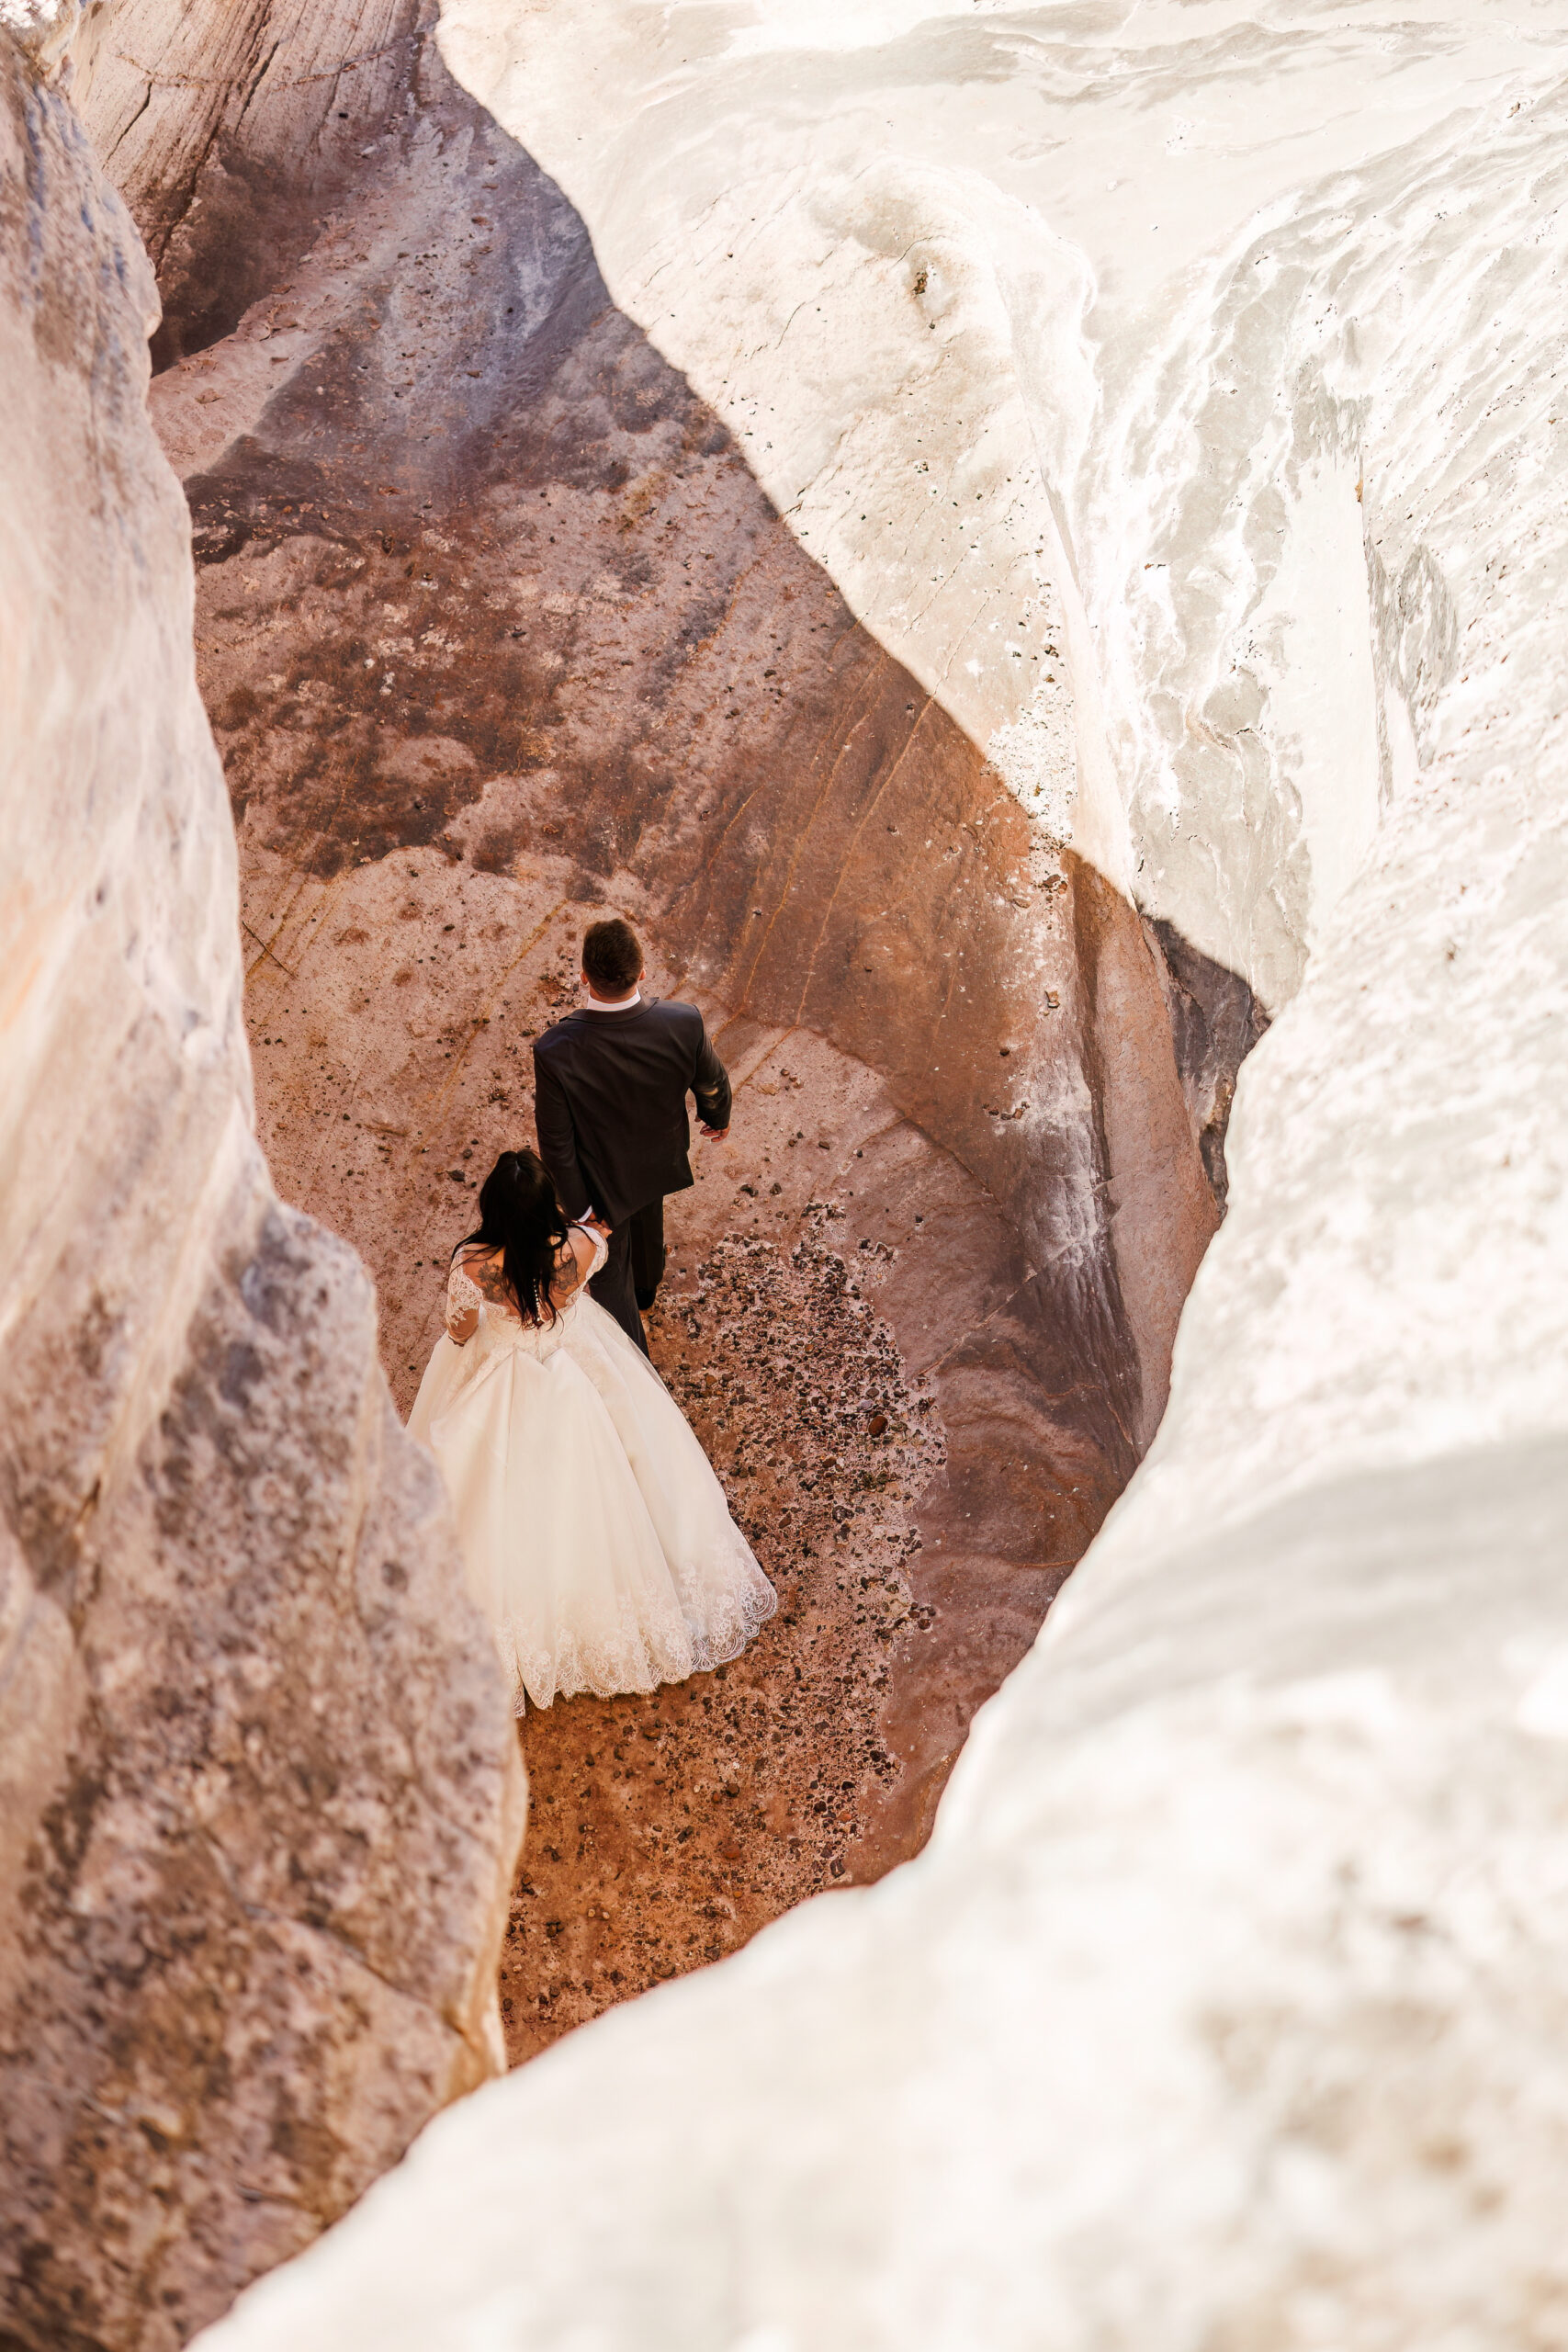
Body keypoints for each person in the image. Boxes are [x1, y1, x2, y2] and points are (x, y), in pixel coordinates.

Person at [408, 1148, 775, 1710]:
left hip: (503, 1372)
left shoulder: (475, 1265)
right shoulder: (580, 1247)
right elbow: (587, 1265)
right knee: (619, 1478)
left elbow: (459, 1329)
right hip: (576, 1366)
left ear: (494, 1209)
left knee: (493, 1495)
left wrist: (465, 1345)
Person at [532, 916, 730, 1353]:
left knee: (609, 1268)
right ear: (642, 971)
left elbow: (557, 1141)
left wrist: (582, 1211)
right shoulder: (683, 1021)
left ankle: (631, 1354)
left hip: (600, 1181)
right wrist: (717, 1116)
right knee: (647, 1216)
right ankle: (647, 1290)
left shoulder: (554, 1050)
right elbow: (712, 1080)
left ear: (584, 978)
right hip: (657, 1160)